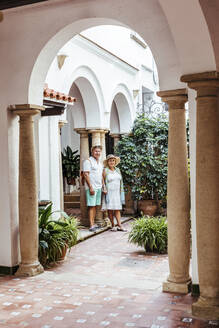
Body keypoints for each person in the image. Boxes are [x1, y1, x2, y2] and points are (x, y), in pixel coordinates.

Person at [102, 154, 127, 232]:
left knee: (117, 209)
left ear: (115, 162)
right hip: (109, 193)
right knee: (110, 209)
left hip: (117, 192)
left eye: (113, 160)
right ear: (107, 162)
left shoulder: (118, 170)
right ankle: (113, 225)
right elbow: (102, 180)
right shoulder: (105, 170)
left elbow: (120, 181)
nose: (112, 162)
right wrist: (104, 188)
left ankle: (119, 225)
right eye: (110, 161)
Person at [83, 145, 104, 232]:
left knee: (95, 206)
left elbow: (101, 175)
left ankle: (94, 223)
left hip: (98, 187)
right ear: (92, 152)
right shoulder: (88, 161)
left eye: (99, 151)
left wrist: (103, 186)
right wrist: (91, 187)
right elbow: (86, 174)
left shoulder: (100, 162)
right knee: (91, 206)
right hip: (92, 187)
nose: (97, 153)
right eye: (96, 151)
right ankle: (91, 225)